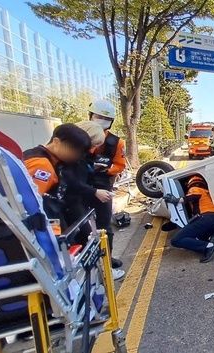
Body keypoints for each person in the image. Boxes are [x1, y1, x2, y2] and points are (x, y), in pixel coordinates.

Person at [61, 121, 125, 280]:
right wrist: (94, 191)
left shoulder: (114, 143)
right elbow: (71, 181)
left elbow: (119, 165)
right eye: (93, 145)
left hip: (94, 191)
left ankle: (105, 264)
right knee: (89, 236)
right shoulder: (70, 157)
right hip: (79, 200)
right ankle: (102, 271)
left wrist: (100, 169)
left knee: (101, 230)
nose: (94, 149)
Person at [23, 123, 92, 228]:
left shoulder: (53, 160)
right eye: (74, 151)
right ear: (56, 142)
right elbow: (31, 203)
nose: (77, 156)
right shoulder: (42, 165)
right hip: (42, 224)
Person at [86, 99, 127, 271]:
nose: (101, 120)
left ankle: (107, 259)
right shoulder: (78, 135)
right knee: (80, 224)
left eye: (105, 118)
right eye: (98, 116)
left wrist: (105, 170)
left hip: (102, 184)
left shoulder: (116, 142)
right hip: (79, 184)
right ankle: (86, 261)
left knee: (104, 225)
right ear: (90, 116)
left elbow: (120, 165)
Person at [164, 175, 214, 263]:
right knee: (196, 237)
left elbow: (193, 196)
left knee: (176, 240)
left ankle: (209, 246)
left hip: (207, 218)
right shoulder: (208, 192)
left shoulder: (195, 189)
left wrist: (176, 200)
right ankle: (209, 238)